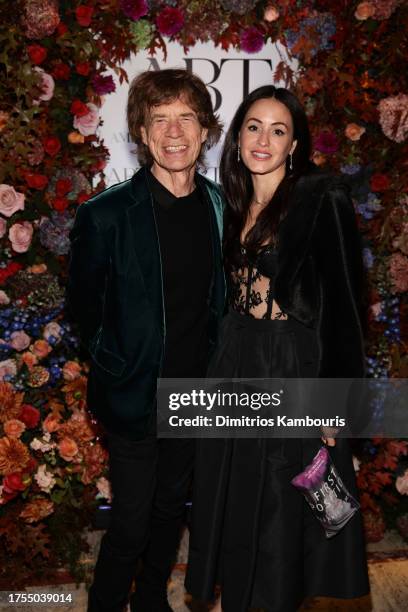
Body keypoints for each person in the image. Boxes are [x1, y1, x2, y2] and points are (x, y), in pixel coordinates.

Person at [185, 85, 370, 612]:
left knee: (279, 501)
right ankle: (234, 595)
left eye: (278, 129)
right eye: (253, 126)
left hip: (290, 363)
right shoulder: (230, 200)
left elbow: (346, 305)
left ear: (294, 145)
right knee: (232, 488)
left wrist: (337, 400)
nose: (263, 139)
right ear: (237, 136)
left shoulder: (320, 196)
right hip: (235, 356)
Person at [67, 68, 225, 612]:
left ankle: (153, 599)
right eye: (161, 119)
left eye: (187, 117)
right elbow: (84, 309)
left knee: (168, 512)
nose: (174, 131)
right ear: (141, 130)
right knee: (130, 523)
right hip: (135, 391)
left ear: (205, 129)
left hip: (197, 391)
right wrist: (116, 360)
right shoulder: (105, 214)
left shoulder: (220, 207)